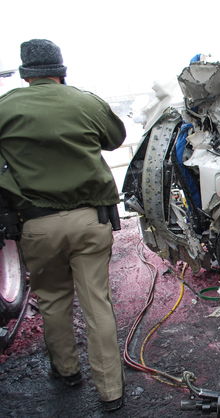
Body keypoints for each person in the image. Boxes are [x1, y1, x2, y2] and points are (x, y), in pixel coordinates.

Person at [0, 39, 126, 412]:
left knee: (53, 300)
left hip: (36, 225)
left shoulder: (5, 108)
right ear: (60, 70)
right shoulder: (84, 101)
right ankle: (111, 391)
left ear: (25, 73)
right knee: (97, 303)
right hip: (91, 220)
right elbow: (116, 139)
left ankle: (67, 372)